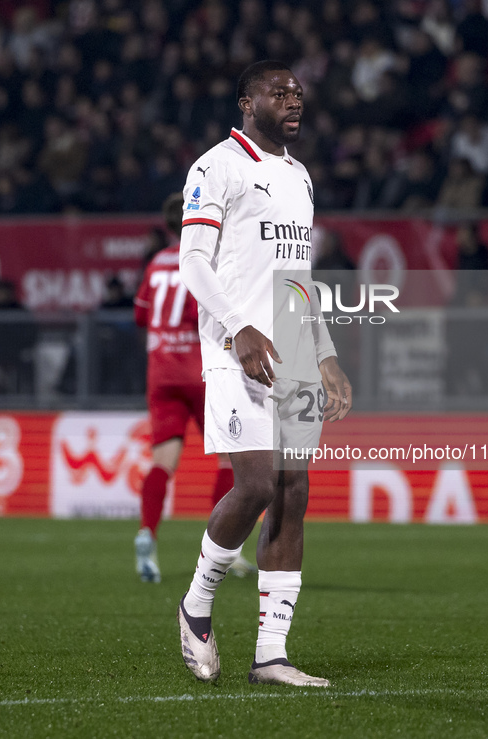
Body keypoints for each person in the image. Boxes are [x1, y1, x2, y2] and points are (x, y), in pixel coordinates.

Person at [176, 60, 352, 687]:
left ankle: (271, 656)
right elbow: (192, 264)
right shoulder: (215, 166)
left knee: (293, 492)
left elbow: (297, 278)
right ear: (247, 102)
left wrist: (325, 352)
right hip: (234, 347)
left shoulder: (300, 177)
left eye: (298, 93)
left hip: (294, 352)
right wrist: (235, 327)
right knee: (254, 484)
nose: (292, 100)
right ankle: (196, 605)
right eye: (279, 93)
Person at [133, 193, 255, 583]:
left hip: (161, 373)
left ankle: (146, 534)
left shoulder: (155, 263)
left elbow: (140, 314)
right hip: (200, 373)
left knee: (162, 462)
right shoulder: (201, 262)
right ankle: (228, 551)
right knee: (228, 462)